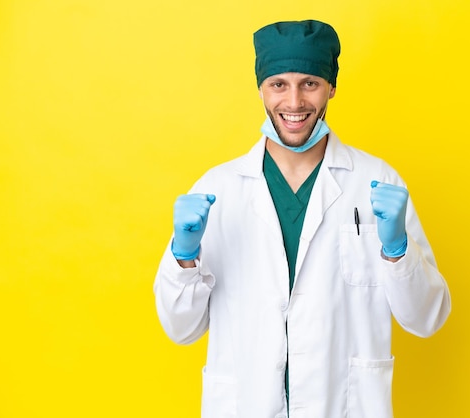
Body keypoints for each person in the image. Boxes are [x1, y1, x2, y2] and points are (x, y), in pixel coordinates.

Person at [154, 19, 451, 418]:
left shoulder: (376, 182)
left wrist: (399, 252)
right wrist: (184, 257)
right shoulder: (218, 188)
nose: (294, 102)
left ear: (331, 86)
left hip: (345, 406)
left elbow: (427, 318)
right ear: (261, 88)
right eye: (279, 84)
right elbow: (181, 329)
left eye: (309, 83)